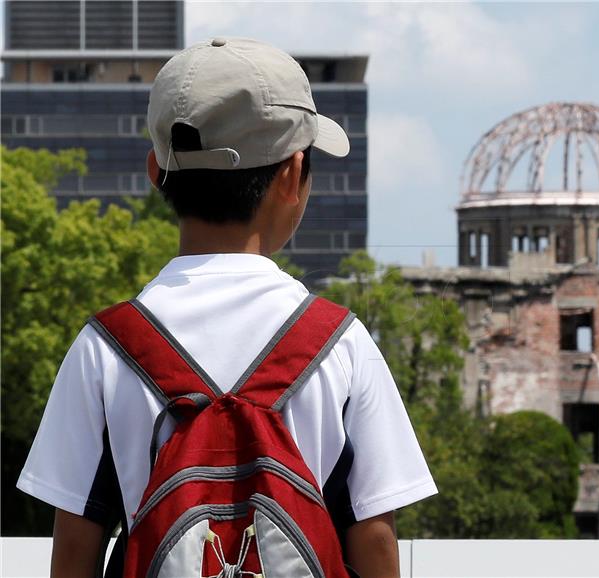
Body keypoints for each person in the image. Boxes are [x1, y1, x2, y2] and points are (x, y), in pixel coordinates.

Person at [17, 37, 437, 578]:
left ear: (155, 172)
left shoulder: (104, 345)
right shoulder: (341, 342)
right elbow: (375, 538)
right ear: (292, 175)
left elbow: (74, 546)